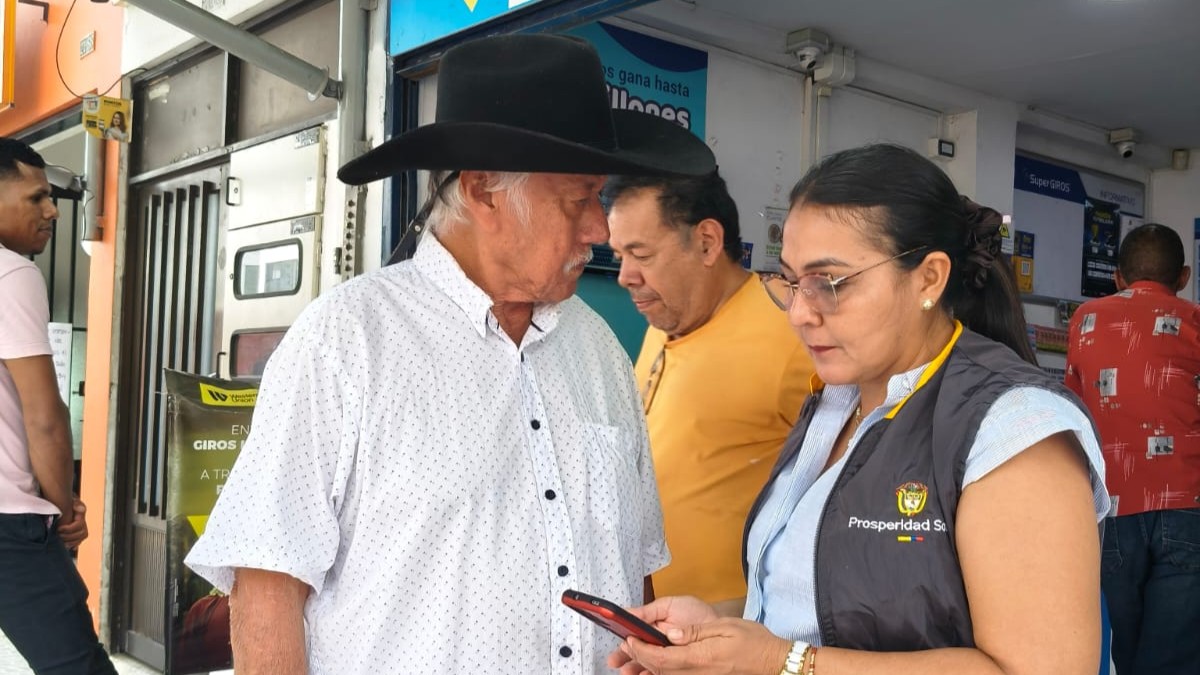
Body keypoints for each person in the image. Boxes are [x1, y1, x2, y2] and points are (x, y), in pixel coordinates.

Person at [185, 34, 716, 674]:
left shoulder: (599, 350)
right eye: (578, 200)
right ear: (486, 190)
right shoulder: (348, 341)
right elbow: (268, 583)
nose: (599, 231)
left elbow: (634, 568)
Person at [609, 143, 1111, 675]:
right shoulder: (833, 407)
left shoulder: (1013, 429)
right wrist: (713, 632)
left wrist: (782, 662)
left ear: (929, 278)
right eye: (792, 282)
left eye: (828, 283)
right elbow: (817, 609)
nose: (800, 314)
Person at [604, 172, 812, 613]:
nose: (625, 276)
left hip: (736, 630)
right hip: (647, 622)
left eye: (640, 254)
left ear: (706, 242)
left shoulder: (795, 338)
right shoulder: (666, 321)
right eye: (619, 255)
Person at [0, 138, 116, 674]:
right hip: (10, 527)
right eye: (36, 197)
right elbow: (44, 417)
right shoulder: (12, 275)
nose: (52, 211)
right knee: (77, 665)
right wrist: (65, 509)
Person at [1064, 222, 1200, 675]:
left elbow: (1075, 407)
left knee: (1126, 646)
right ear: (1183, 277)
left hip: (1112, 502)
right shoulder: (1195, 320)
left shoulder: (1086, 319)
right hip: (1187, 501)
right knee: (1175, 653)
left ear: (1118, 277)